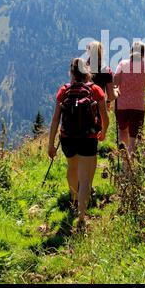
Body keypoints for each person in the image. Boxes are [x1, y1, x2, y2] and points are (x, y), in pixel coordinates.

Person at [48, 58, 109, 229]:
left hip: (67, 138)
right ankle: (82, 217)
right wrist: (103, 132)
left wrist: (51, 144)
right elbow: (105, 117)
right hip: (88, 138)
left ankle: (73, 199)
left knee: (72, 167)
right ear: (87, 72)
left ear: (72, 73)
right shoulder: (95, 90)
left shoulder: (64, 91)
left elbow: (55, 120)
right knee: (85, 179)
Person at [114, 42, 145, 158]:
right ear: (143, 53)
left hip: (122, 105)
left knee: (123, 130)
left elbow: (115, 82)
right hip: (138, 105)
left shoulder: (122, 64)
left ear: (131, 51)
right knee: (134, 136)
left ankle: (124, 159)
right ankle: (130, 165)